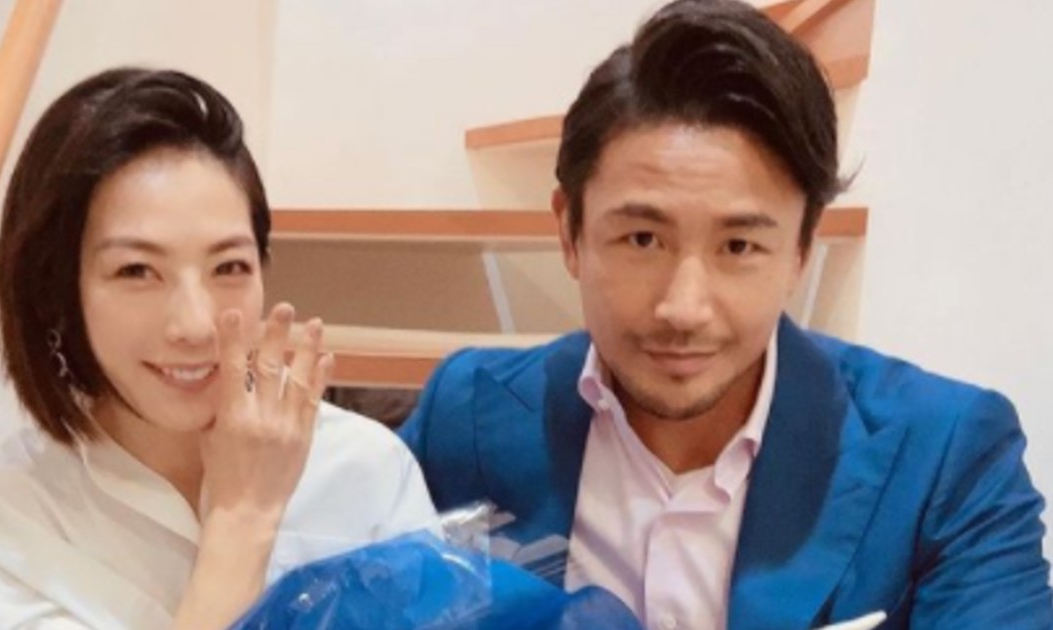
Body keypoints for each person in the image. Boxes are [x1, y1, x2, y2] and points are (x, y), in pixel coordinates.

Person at [399, 1, 1053, 627]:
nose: (683, 308)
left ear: (800, 251)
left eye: (739, 246)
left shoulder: (944, 455)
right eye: (642, 239)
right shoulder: (465, 417)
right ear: (569, 232)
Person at [0, 68, 437, 630]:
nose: (195, 326)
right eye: (136, 270)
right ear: (56, 290)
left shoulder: (364, 465)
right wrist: (244, 518)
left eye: (229, 266)